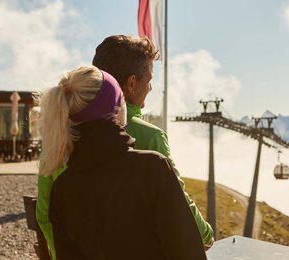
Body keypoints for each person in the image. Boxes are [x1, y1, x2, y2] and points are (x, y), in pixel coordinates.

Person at [36, 35, 213, 259]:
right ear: (117, 111)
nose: (150, 86)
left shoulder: (62, 185)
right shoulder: (153, 167)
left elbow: (45, 218)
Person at [92, 34, 214, 244]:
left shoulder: (63, 129)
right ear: (131, 83)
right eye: (149, 80)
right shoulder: (150, 137)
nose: (150, 88)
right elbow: (179, 205)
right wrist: (208, 234)